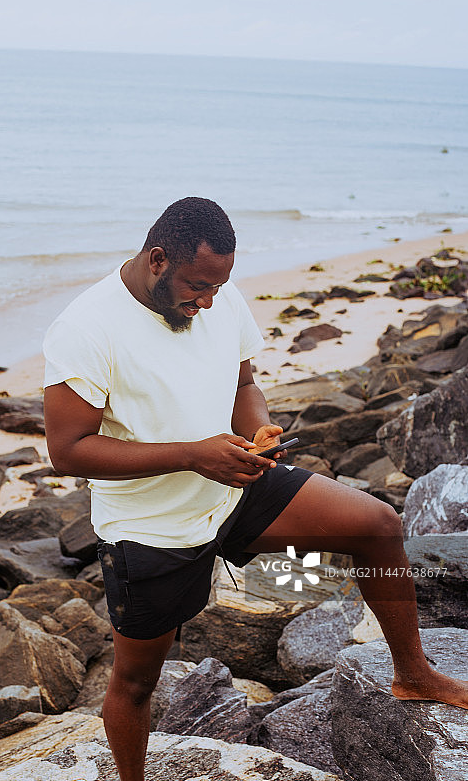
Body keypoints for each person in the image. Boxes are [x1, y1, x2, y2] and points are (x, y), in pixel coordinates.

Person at [43, 197, 468, 781]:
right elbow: (67, 450)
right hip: (150, 526)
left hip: (234, 485)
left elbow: (244, 382)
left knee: (377, 525)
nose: (209, 301)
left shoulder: (217, 291)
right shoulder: (86, 328)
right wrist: (196, 455)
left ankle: (413, 673)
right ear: (158, 259)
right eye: (197, 286)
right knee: (137, 681)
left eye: (218, 286)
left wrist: (257, 434)